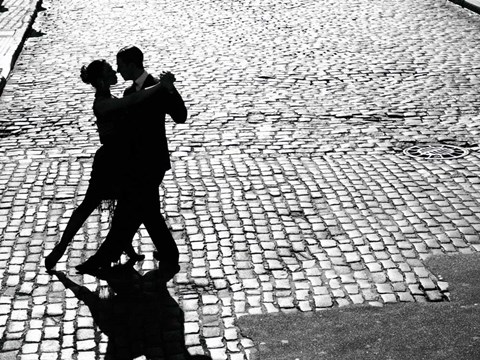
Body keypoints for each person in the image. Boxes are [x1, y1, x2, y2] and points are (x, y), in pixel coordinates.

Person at [45, 59, 172, 272]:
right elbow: (134, 100)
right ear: (103, 80)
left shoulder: (110, 96)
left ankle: (125, 247)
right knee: (89, 205)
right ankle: (60, 248)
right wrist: (161, 85)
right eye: (110, 71)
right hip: (109, 163)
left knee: (125, 204)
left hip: (123, 159)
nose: (115, 71)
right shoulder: (102, 103)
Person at [75, 46, 187, 281]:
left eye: (121, 64)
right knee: (147, 210)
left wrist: (171, 89)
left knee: (131, 210)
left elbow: (180, 115)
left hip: (152, 162)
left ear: (132, 65)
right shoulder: (128, 93)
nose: (118, 69)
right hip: (135, 164)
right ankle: (169, 254)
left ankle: (105, 257)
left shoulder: (157, 85)